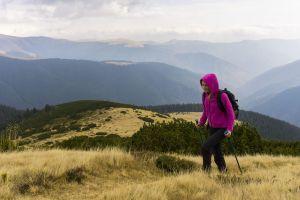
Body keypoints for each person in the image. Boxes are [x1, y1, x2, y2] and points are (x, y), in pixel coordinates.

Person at [196, 73, 235, 173]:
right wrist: (201, 122)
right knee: (216, 151)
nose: (204, 87)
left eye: (206, 85)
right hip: (212, 127)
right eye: (202, 85)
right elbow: (205, 112)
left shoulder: (222, 96)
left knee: (205, 147)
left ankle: (206, 172)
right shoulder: (204, 95)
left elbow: (231, 114)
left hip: (222, 128)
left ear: (212, 84)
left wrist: (229, 129)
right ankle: (223, 171)